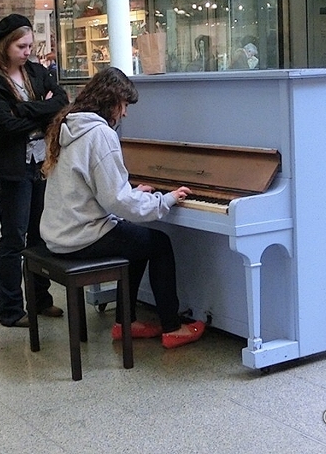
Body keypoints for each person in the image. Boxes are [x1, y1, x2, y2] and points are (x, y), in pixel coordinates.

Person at [40, 67, 206, 349]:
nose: (125, 113)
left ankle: (125, 322)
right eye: (124, 104)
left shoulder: (70, 125)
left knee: (135, 239)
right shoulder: (100, 134)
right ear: (111, 101)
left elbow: (98, 190)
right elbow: (117, 201)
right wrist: (165, 200)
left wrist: (131, 193)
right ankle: (172, 326)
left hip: (60, 232)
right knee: (159, 243)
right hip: (80, 236)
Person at [0, 14, 69, 327]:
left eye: (31, 45)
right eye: (22, 46)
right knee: (14, 236)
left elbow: (61, 102)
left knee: (39, 234)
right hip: (11, 169)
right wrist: (42, 113)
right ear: (6, 46)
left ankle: (40, 298)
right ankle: (10, 309)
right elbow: (5, 125)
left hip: (40, 164)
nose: (28, 51)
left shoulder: (36, 70)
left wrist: (23, 109)